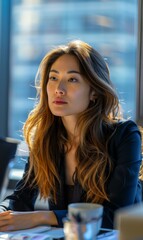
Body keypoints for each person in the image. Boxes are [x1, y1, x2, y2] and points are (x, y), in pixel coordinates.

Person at [0, 40, 142, 231]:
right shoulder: (47, 138)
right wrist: (3, 213)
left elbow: (116, 216)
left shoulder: (124, 135)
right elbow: (20, 201)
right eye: (53, 78)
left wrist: (42, 217)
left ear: (94, 92)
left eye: (72, 79)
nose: (59, 88)